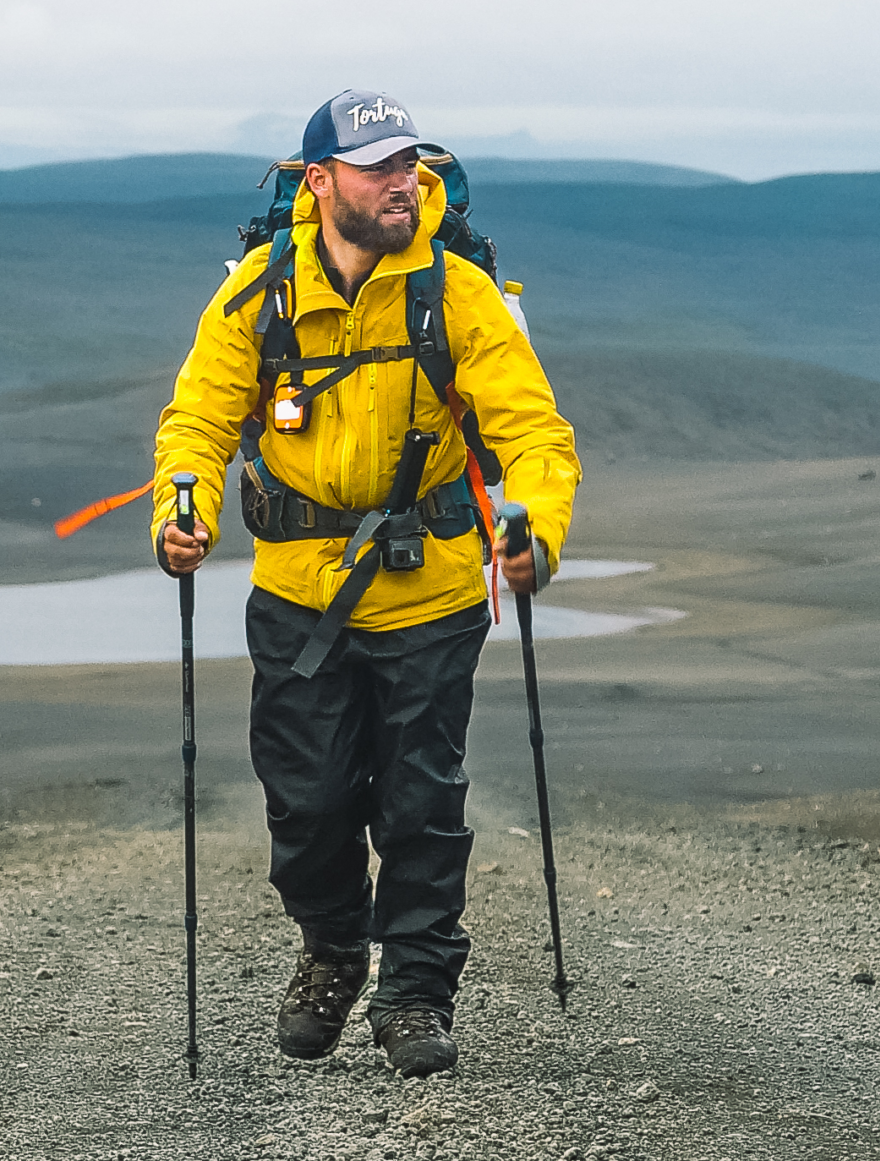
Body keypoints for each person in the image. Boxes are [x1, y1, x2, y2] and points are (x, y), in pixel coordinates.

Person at [152, 89, 580, 1077]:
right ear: (319, 182)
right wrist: (184, 516)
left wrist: (534, 534)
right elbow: (199, 420)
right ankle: (333, 950)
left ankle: (416, 992)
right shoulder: (260, 291)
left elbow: (530, 430)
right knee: (306, 805)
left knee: (419, 804)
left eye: (407, 164)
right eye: (377, 166)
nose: (401, 182)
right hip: (298, 591)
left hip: (427, 589)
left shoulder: (454, 291)